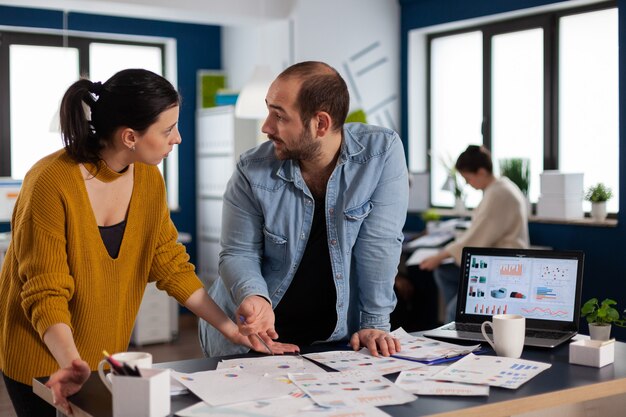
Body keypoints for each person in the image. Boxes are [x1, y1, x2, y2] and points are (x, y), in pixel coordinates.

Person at [0, 69, 297, 417]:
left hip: (104, 359)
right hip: (44, 359)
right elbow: (45, 291)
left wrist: (232, 330)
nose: (178, 139)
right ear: (129, 137)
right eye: (168, 129)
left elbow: (170, 264)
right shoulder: (50, 182)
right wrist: (71, 363)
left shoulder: (148, 178)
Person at [198, 61, 409, 358]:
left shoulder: (380, 153)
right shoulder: (252, 169)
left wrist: (375, 323)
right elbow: (238, 252)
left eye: (279, 116)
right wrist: (254, 297)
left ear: (320, 124)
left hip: (332, 338)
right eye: (268, 110)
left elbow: (380, 243)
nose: (266, 127)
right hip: (253, 335)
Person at [420, 145, 530, 322]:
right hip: (496, 261)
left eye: (467, 178)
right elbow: (479, 232)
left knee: (452, 310)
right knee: (443, 272)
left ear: (481, 172)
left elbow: (477, 237)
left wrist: (439, 256)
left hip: (503, 268)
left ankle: (458, 319)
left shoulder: (499, 193)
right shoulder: (499, 188)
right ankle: (462, 319)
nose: (467, 184)